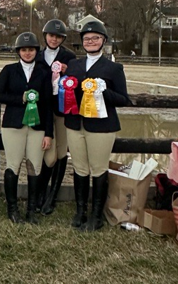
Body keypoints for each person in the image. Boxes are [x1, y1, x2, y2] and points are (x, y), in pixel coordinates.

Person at [64, 21, 130, 231]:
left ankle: (96, 215)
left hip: (102, 127)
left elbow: (123, 99)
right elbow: (68, 93)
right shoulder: (74, 65)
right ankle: (80, 210)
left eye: (95, 38)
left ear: (103, 41)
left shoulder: (113, 68)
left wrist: (103, 91)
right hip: (75, 124)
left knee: (99, 170)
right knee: (79, 168)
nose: (90, 42)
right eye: (86, 39)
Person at [0, 32, 53, 224]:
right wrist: (20, 99)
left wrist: (49, 133)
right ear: (18, 51)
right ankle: (12, 209)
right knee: (13, 165)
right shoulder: (9, 70)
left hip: (37, 127)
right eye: (24, 50)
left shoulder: (44, 72)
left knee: (35, 166)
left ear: (36, 51)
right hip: (14, 125)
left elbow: (48, 104)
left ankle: (31, 210)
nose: (27, 53)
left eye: (31, 50)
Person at [35, 19, 76, 215]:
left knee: (61, 152)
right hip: (42, 109)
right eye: (51, 35)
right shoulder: (37, 56)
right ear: (46, 36)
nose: (54, 39)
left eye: (58, 36)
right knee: (46, 152)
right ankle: (40, 192)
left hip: (61, 109)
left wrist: (70, 73)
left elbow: (76, 82)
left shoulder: (69, 56)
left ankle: (52, 195)